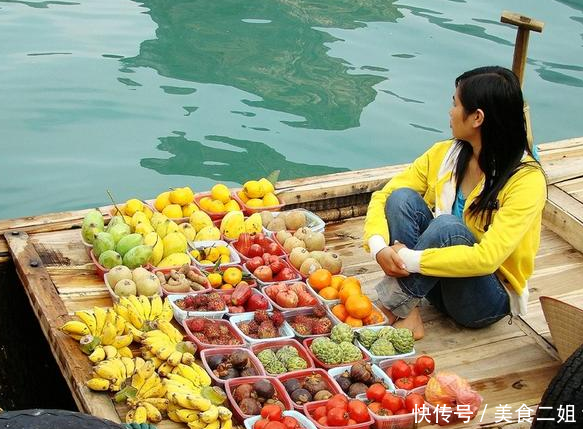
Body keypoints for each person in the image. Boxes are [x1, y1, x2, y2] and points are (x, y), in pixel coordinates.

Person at [363, 66, 547, 339]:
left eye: (455, 104)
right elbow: (384, 196)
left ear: (477, 117)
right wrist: (379, 247)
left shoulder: (526, 180)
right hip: (434, 282)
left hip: (482, 299)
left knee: (447, 228)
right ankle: (408, 310)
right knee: (402, 198)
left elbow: (487, 259)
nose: (450, 111)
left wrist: (406, 259)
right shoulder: (446, 154)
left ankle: (392, 304)